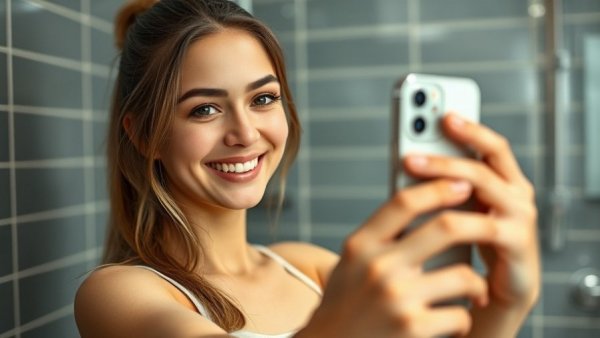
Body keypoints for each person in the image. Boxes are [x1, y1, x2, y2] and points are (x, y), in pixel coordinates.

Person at [74, 0, 540, 337]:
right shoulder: (117, 295)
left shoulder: (311, 267)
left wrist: (504, 307)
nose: (245, 133)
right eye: (204, 110)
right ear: (141, 134)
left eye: (262, 99)